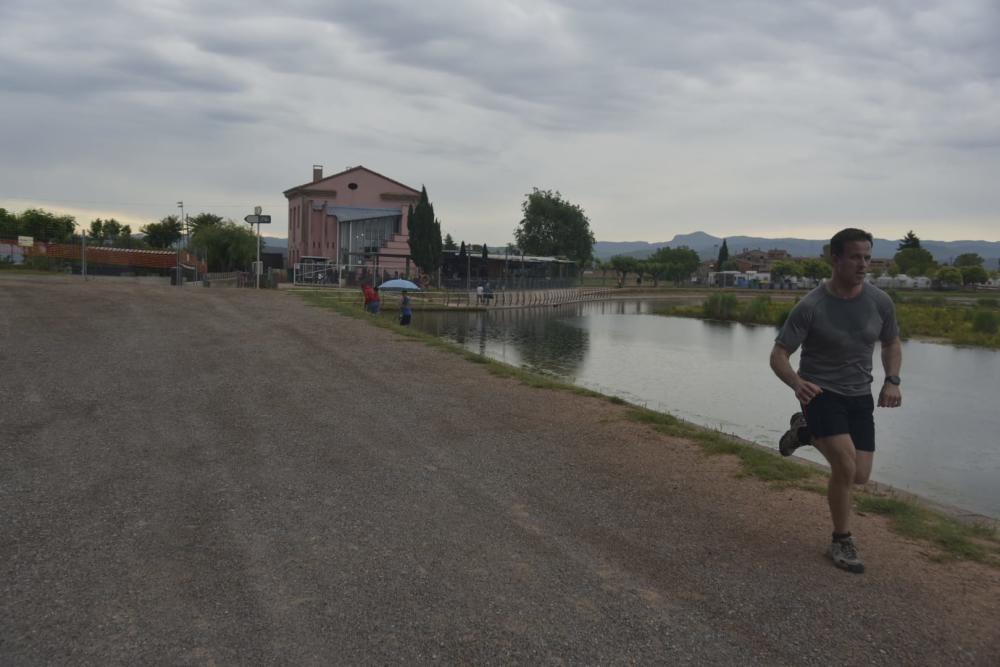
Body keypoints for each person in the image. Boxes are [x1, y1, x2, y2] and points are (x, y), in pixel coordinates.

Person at [769, 228, 902, 574]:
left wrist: (892, 380)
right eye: (856, 257)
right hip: (820, 393)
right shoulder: (811, 306)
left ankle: (805, 433)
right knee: (844, 466)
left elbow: (891, 342)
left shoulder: (880, 302)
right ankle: (841, 540)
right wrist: (797, 383)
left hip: (860, 395)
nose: (863, 264)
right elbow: (779, 354)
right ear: (836, 259)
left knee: (859, 475)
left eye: (868, 257)